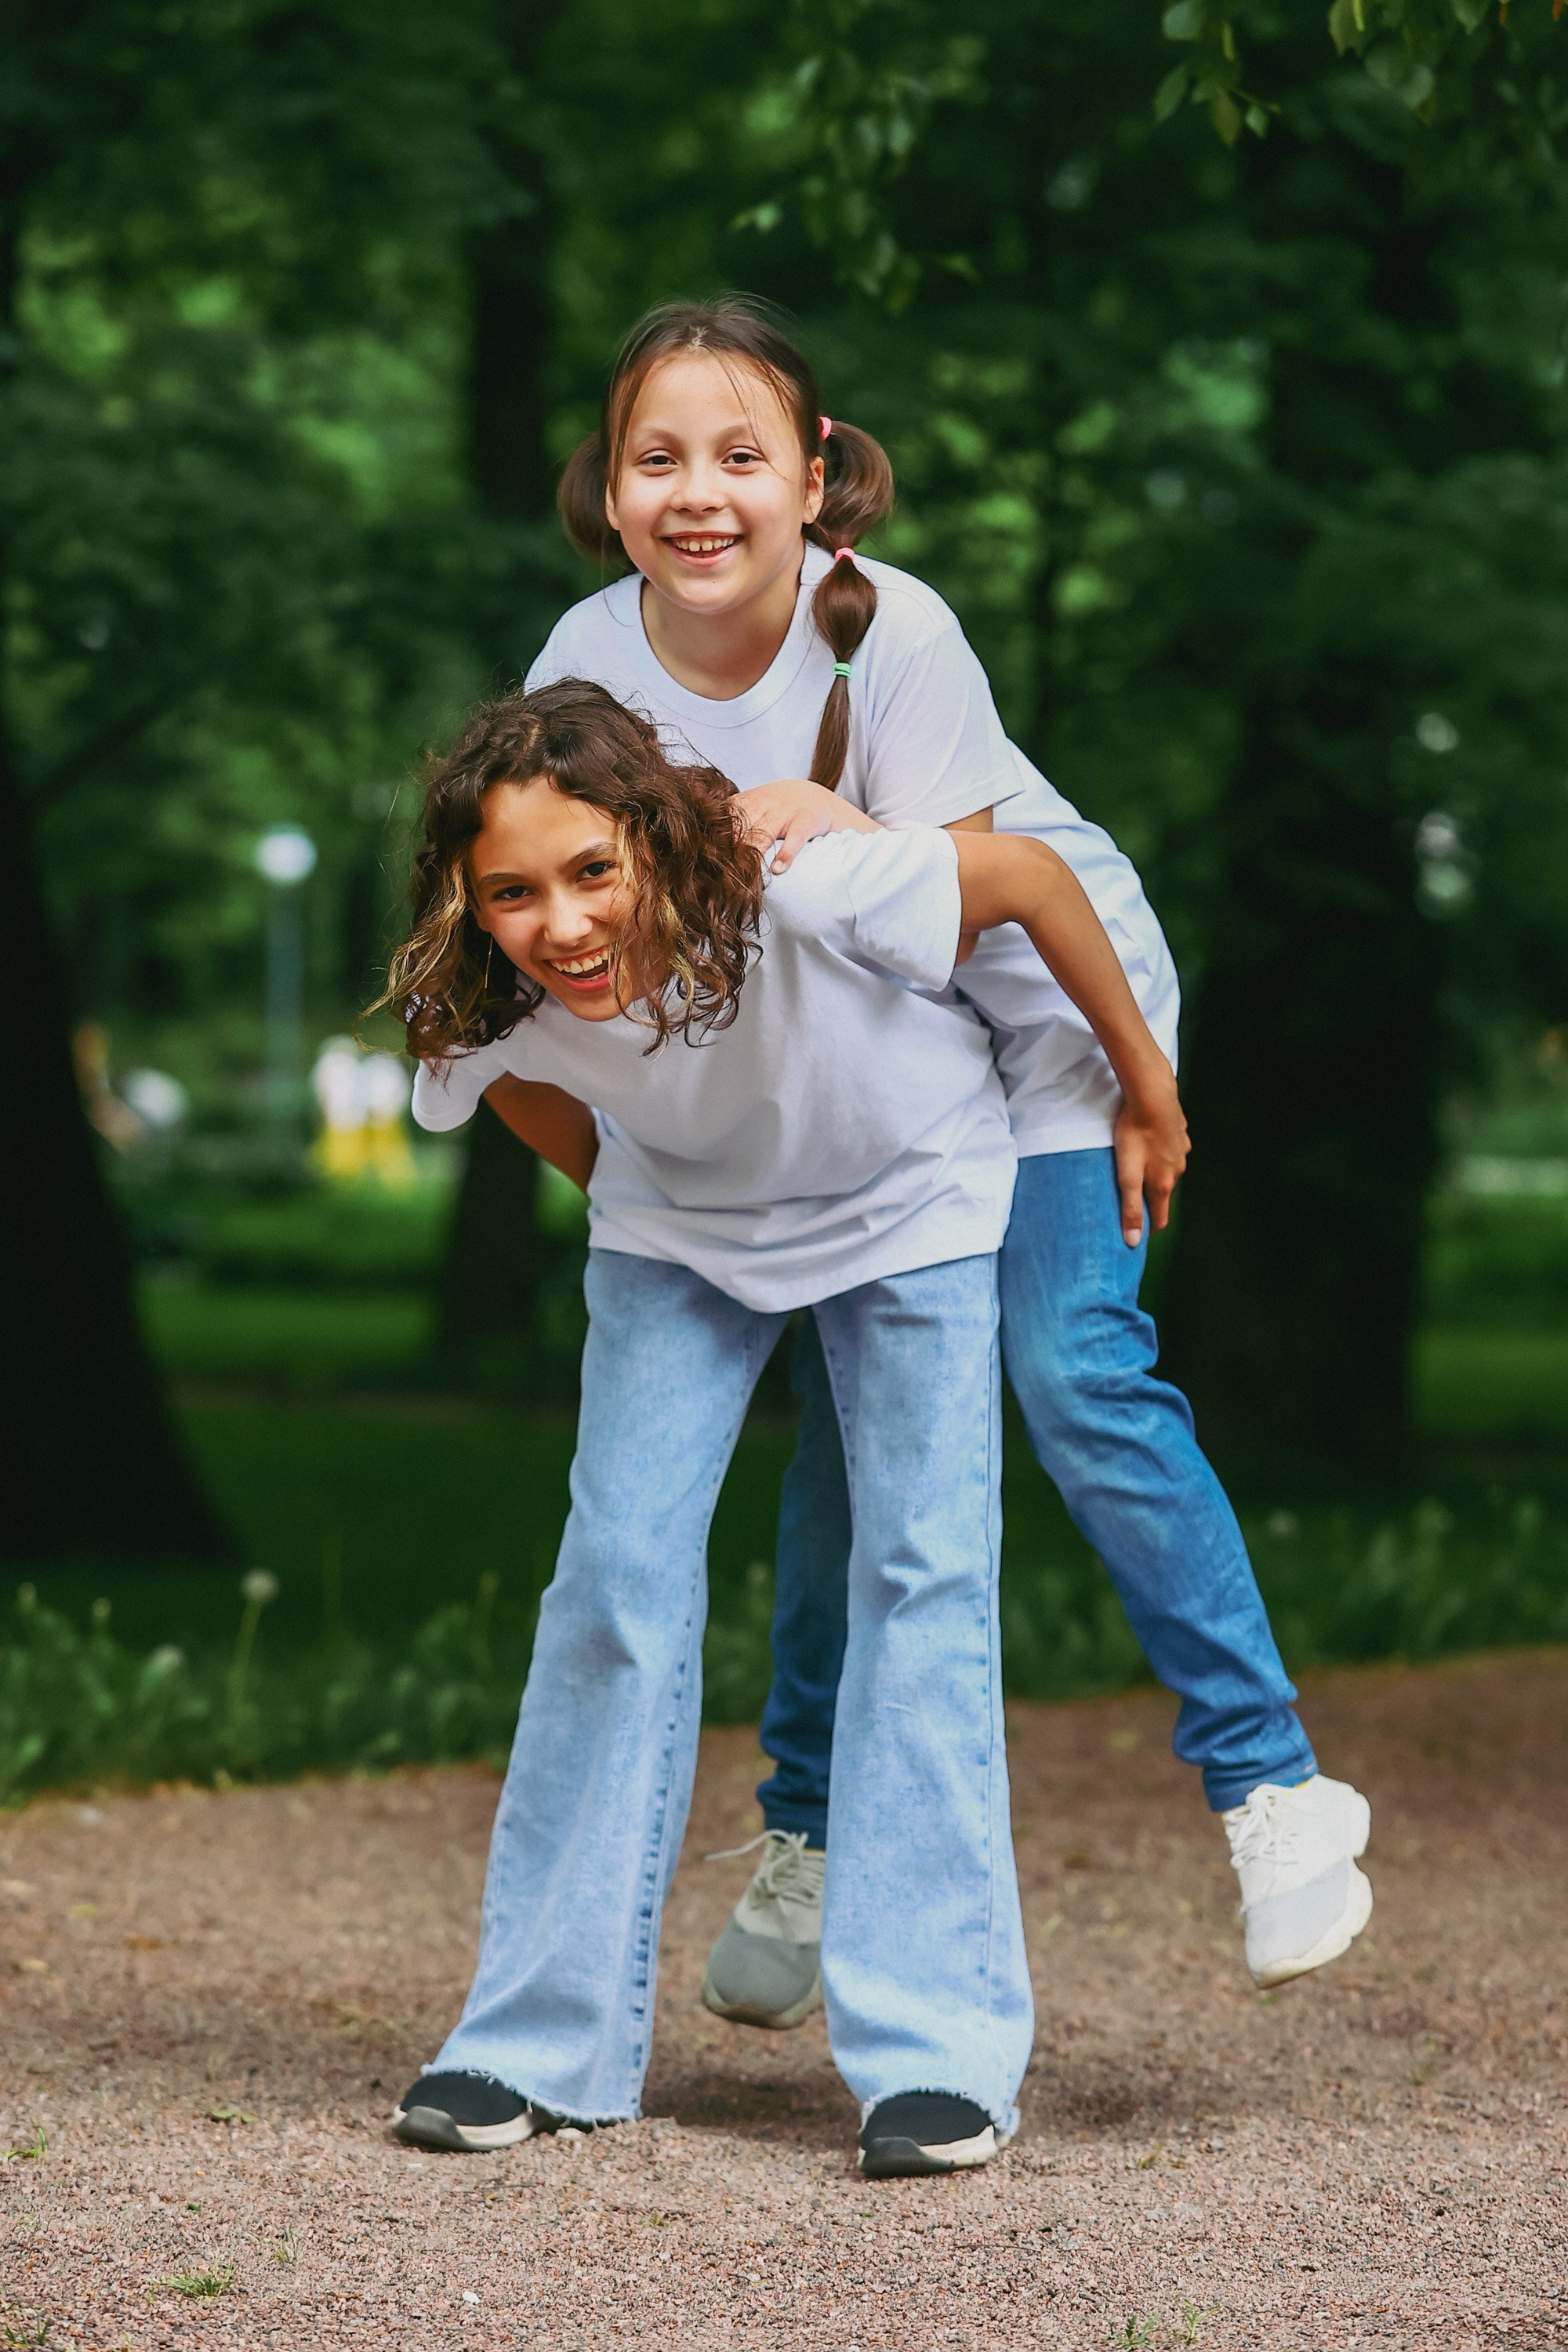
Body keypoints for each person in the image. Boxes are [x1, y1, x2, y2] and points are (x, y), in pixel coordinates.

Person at [505, 296, 1373, 2025]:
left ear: (813, 480)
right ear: (606, 492)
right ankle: (809, 1830)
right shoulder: (583, 668)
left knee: (1065, 1365)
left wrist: (1146, 1089)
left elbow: (996, 912)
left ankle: (1274, 1787)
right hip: (858, 1069)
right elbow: (574, 917)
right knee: (848, 1415)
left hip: (1042, 1023)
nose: (698, 493)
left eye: (741, 457)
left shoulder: (887, 631)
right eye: (655, 459)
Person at [376, 675, 1187, 2176]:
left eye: (593, 872)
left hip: (914, 1196)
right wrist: (662, 1196)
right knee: (613, 1573)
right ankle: (535, 2040)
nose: (559, 923)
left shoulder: (801, 884)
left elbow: (1024, 877)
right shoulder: (479, 995)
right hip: (680, 1238)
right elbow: (534, 1100)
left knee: (922, 1579)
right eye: (513, 892)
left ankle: (935, 2059)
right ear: (467, 898)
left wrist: (1146, 1087)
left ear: (659, 847)